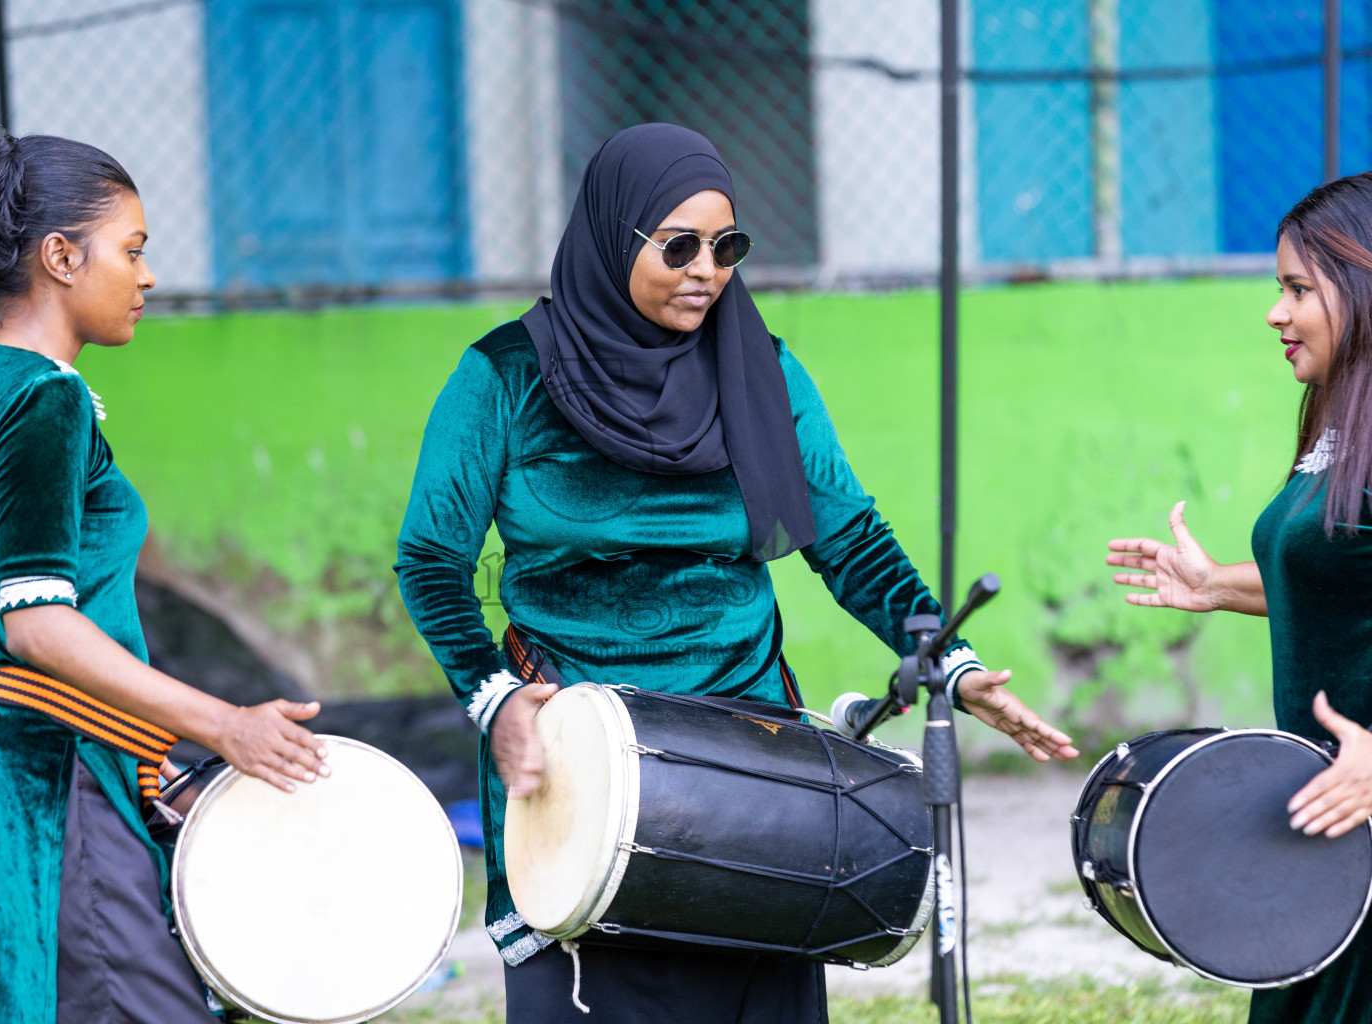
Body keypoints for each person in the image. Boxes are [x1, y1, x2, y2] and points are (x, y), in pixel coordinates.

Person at [396, 123, 1077, 1024]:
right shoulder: (505, 378)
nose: (706, 270)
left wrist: (949, 660)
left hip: (749, 756)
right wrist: (495, 696)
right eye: (678, 245)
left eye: (728, 247)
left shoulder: (763, 371)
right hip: (577, 752)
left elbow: (852, 539)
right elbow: (431, 558)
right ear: (612, 236)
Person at [0, 130, 331, 1024]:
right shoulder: (43, 398)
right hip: (47, 775)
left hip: (2, 759)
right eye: (133, 251)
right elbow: (35, 625)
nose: (147, 277)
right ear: (61, 256)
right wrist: (224, 725)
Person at [1108, 172, 1372, 1024]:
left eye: (1298, 288)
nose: (1276, 313)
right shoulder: (1339, 417)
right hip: (1329, 823)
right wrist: (1218, 585)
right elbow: (1345, 573)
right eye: (1278, 289)